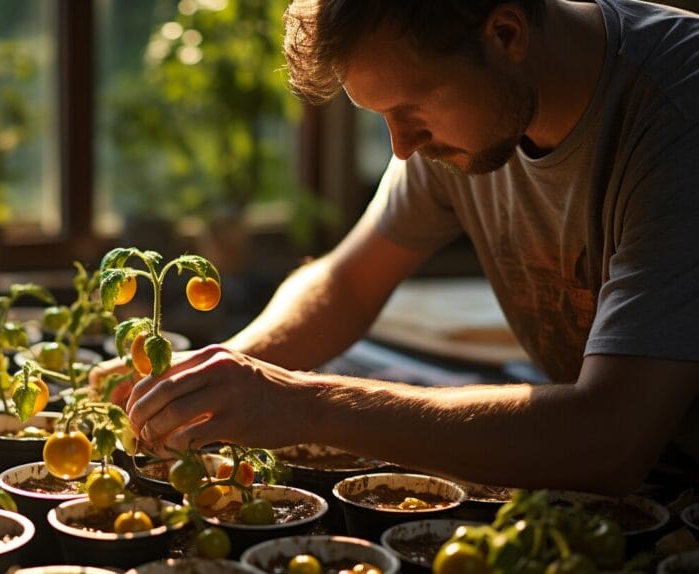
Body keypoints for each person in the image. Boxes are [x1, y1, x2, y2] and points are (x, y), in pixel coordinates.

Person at [109, 0, 699, 494]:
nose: (401, 146)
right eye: (383, 118)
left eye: (410, 109)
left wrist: (306, 404)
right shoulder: (475, 106)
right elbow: (345, 282)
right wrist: (215, 379)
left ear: (505, 33)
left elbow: (611, 439)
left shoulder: (676, 117)